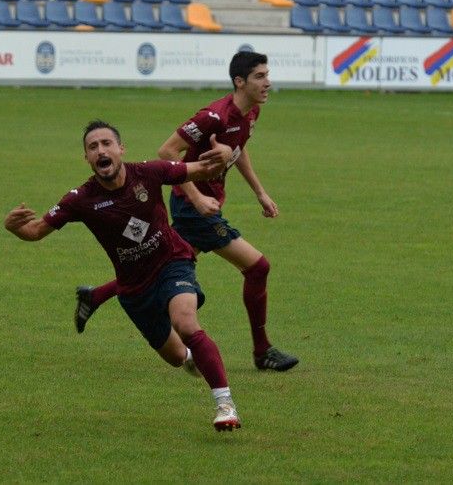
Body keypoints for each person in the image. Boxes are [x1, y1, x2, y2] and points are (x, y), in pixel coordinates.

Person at [4, 120, 243, 431]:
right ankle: (192, 357)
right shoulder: (81, 199)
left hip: (173, 263)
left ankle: (225, 405)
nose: (101, 150)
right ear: (87, 159)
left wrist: (224, 157)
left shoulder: (150, 172)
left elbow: (200, 170)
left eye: (106, 144)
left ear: (120, 149)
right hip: (133, 290)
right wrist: (13, 227)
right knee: (175, 357)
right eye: (93, 147)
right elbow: (34, 231)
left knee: (185, 322)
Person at [74, 52, 299, 373]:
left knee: (158, 261)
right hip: (194, 209)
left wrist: (260, 192)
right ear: (240, 82)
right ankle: (263, 352)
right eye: (260, 76)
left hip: (203, 205)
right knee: (258, 267)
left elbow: (238, 147)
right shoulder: (214, 117)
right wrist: (195, 197)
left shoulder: (251, 114)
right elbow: (167, 151)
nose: (268, 82)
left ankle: (94, 296)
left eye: (267, 74)